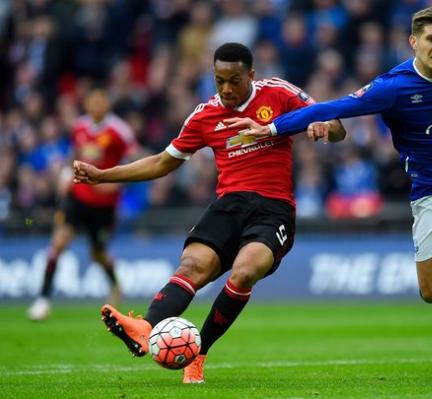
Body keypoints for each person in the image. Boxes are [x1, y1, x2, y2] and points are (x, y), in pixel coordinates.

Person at [225, 7, 432, 380]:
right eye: (430, 39)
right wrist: (273, 127)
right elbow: (335, 107)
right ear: (414, 42)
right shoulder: (393, 87)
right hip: (428, 194)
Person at [72, 42, 345, 384]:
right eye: (219, 81)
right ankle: (144, 327)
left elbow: (337, 126)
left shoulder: (279, 92)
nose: (227, 89)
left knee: (245, 271)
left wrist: (324, 128)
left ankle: (198, 355)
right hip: (228, 205)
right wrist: (102, 174)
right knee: (191, 266)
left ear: (251, 75)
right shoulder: (204, 115)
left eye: (234, 80)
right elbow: (160, 163)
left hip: (273, 209)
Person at [28, 89, 137, 321]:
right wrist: (66, 174)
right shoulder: (79, 127)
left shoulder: (119, 131)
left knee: (98, 254)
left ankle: (116, 285)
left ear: (107, 103)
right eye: (92, 102)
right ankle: (43, 300)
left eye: (100, 101)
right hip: (77, 197)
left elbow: (134, 160)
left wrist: (116, 185)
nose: (96, 106)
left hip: (104, 205)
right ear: (86, 104)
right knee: (58, 243)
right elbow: (73, 155)